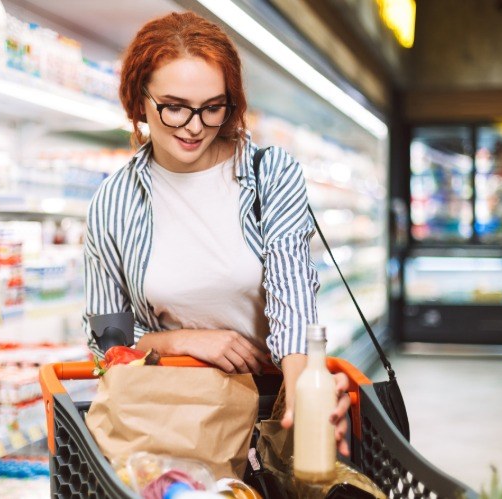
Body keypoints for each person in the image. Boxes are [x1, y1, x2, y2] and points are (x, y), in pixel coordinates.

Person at [84, 11, 351, 455]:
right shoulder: (112, 203)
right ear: (139, 100)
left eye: (212, 108)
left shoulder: (270, 174)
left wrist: (305, 397)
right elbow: (105, 347)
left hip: (272, 405)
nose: (194, 126)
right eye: (174, 107)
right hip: (166, 419)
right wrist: (179, 341)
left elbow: (293, 295)